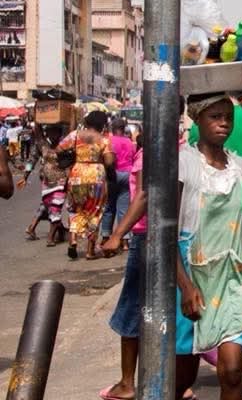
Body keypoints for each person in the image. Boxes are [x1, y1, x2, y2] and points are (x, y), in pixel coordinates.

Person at [175, 93, 242, 400]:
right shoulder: (184, 163)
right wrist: (185, 286)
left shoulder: (238, 166)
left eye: (228, 117)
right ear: (197, 119)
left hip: (234, 274)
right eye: (215, 117)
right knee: (181, 376)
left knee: (232, 372)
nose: (223, 123)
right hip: (193, 275)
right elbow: (166, 233)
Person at [98, 135, 144, 400]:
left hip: (146, 234)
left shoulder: (155, 152)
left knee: (130, 310)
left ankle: (127, 382)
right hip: (167, 234)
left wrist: (117, 234)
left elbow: (145, 195)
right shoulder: (183, 149)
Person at [60, 111, 116, 260]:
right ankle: (90, 251)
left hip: (77, 173)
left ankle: (73, 240)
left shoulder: (75, 135)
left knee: (75, 209)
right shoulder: (103, 140)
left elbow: (59, 149)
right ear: (102, 125)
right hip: (96, 175)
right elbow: (109, 161)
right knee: (95, 212)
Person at [23, 124, 69, 245]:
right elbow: (31, 159)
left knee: (55, 208)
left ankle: (50, 237)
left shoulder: (64, 144)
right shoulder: (42, 145)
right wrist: (26, 174)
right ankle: (60, 230)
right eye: (49, 132)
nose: (52, 135)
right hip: (46, 183)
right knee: (46, 206)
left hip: (61, 181)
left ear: (59, 133)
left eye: (55, 132)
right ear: (46, 133)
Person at [100, 119, 135, 254]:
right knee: (124, 209)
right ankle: (125, 241)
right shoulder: (129, 142)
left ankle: (105, 237)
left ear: (112, 128)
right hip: (127, 175)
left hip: (113, 175)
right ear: (124, 128)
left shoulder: (108, 141)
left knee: (109, 207)